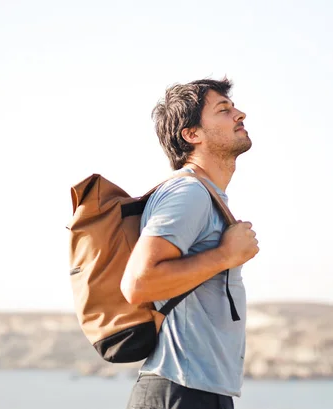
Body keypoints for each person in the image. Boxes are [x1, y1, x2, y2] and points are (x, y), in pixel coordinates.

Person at [121, 78, 259, 409]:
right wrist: (225, 255)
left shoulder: (204, 194)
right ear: (191, 134)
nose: (240, 114)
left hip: (197, 390)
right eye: (223, 110)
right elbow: (139, 284)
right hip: (180, 390)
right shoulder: (189, 192)